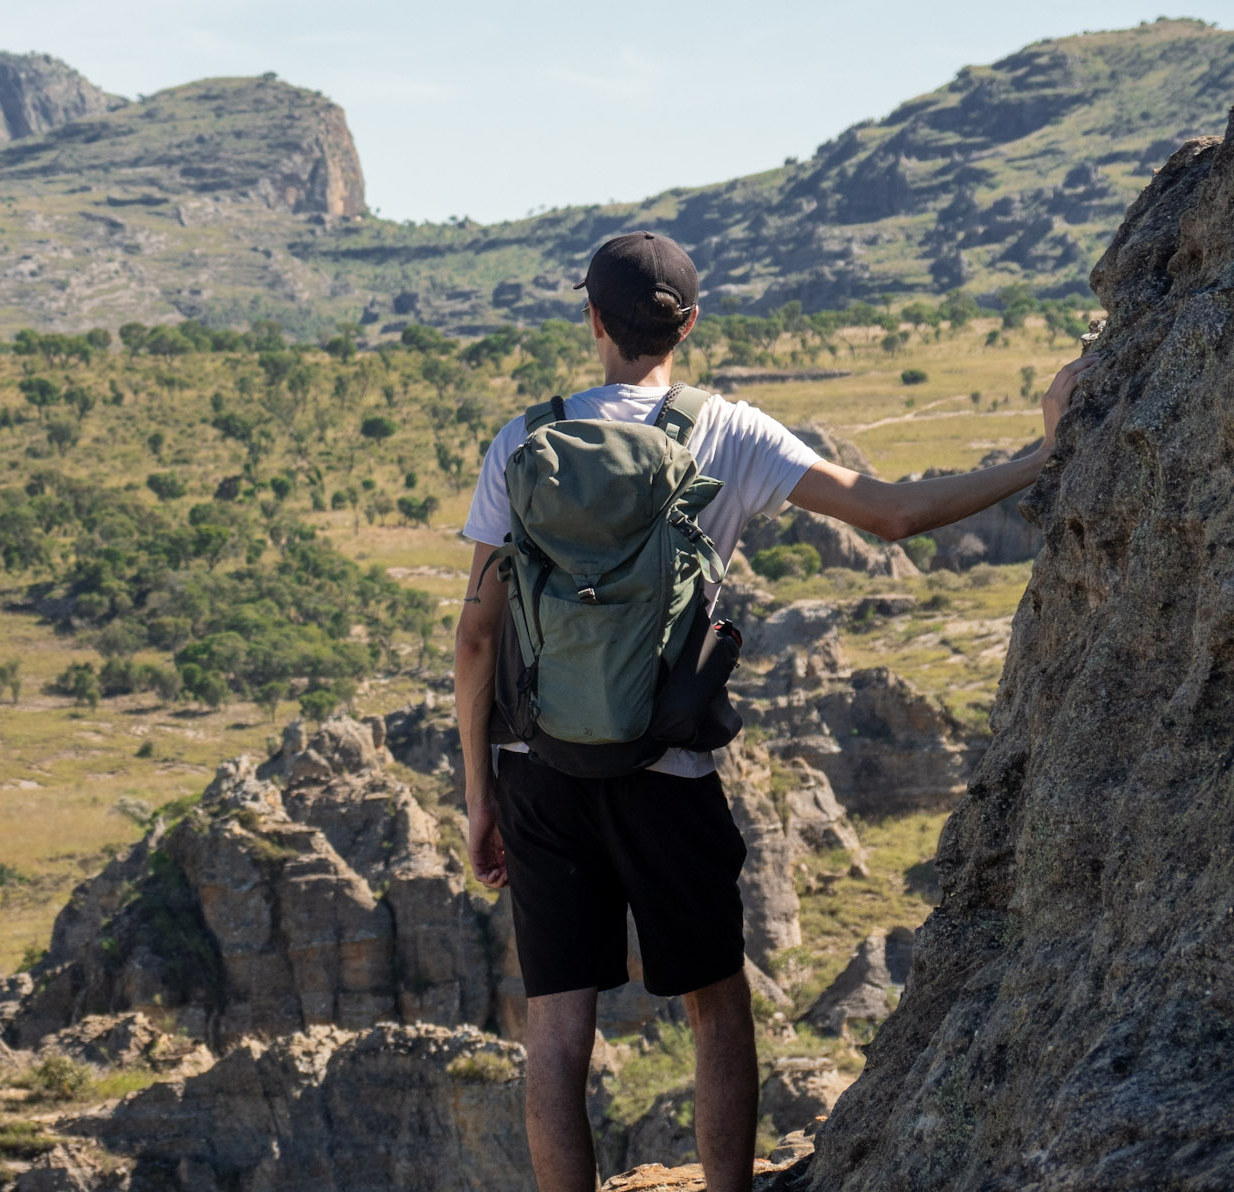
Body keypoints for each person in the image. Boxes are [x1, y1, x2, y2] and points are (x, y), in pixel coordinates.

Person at [452, 231, 1095, 1192]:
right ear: (690, 324)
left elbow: (474, 640)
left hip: (541, 768)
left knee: (557, 1024)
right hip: (666, 770)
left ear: (592, 320)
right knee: (715, 1001)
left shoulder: (522, 443)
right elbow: (891, 514)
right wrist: (1048, 455)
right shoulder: (728, 432)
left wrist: (479, 797)